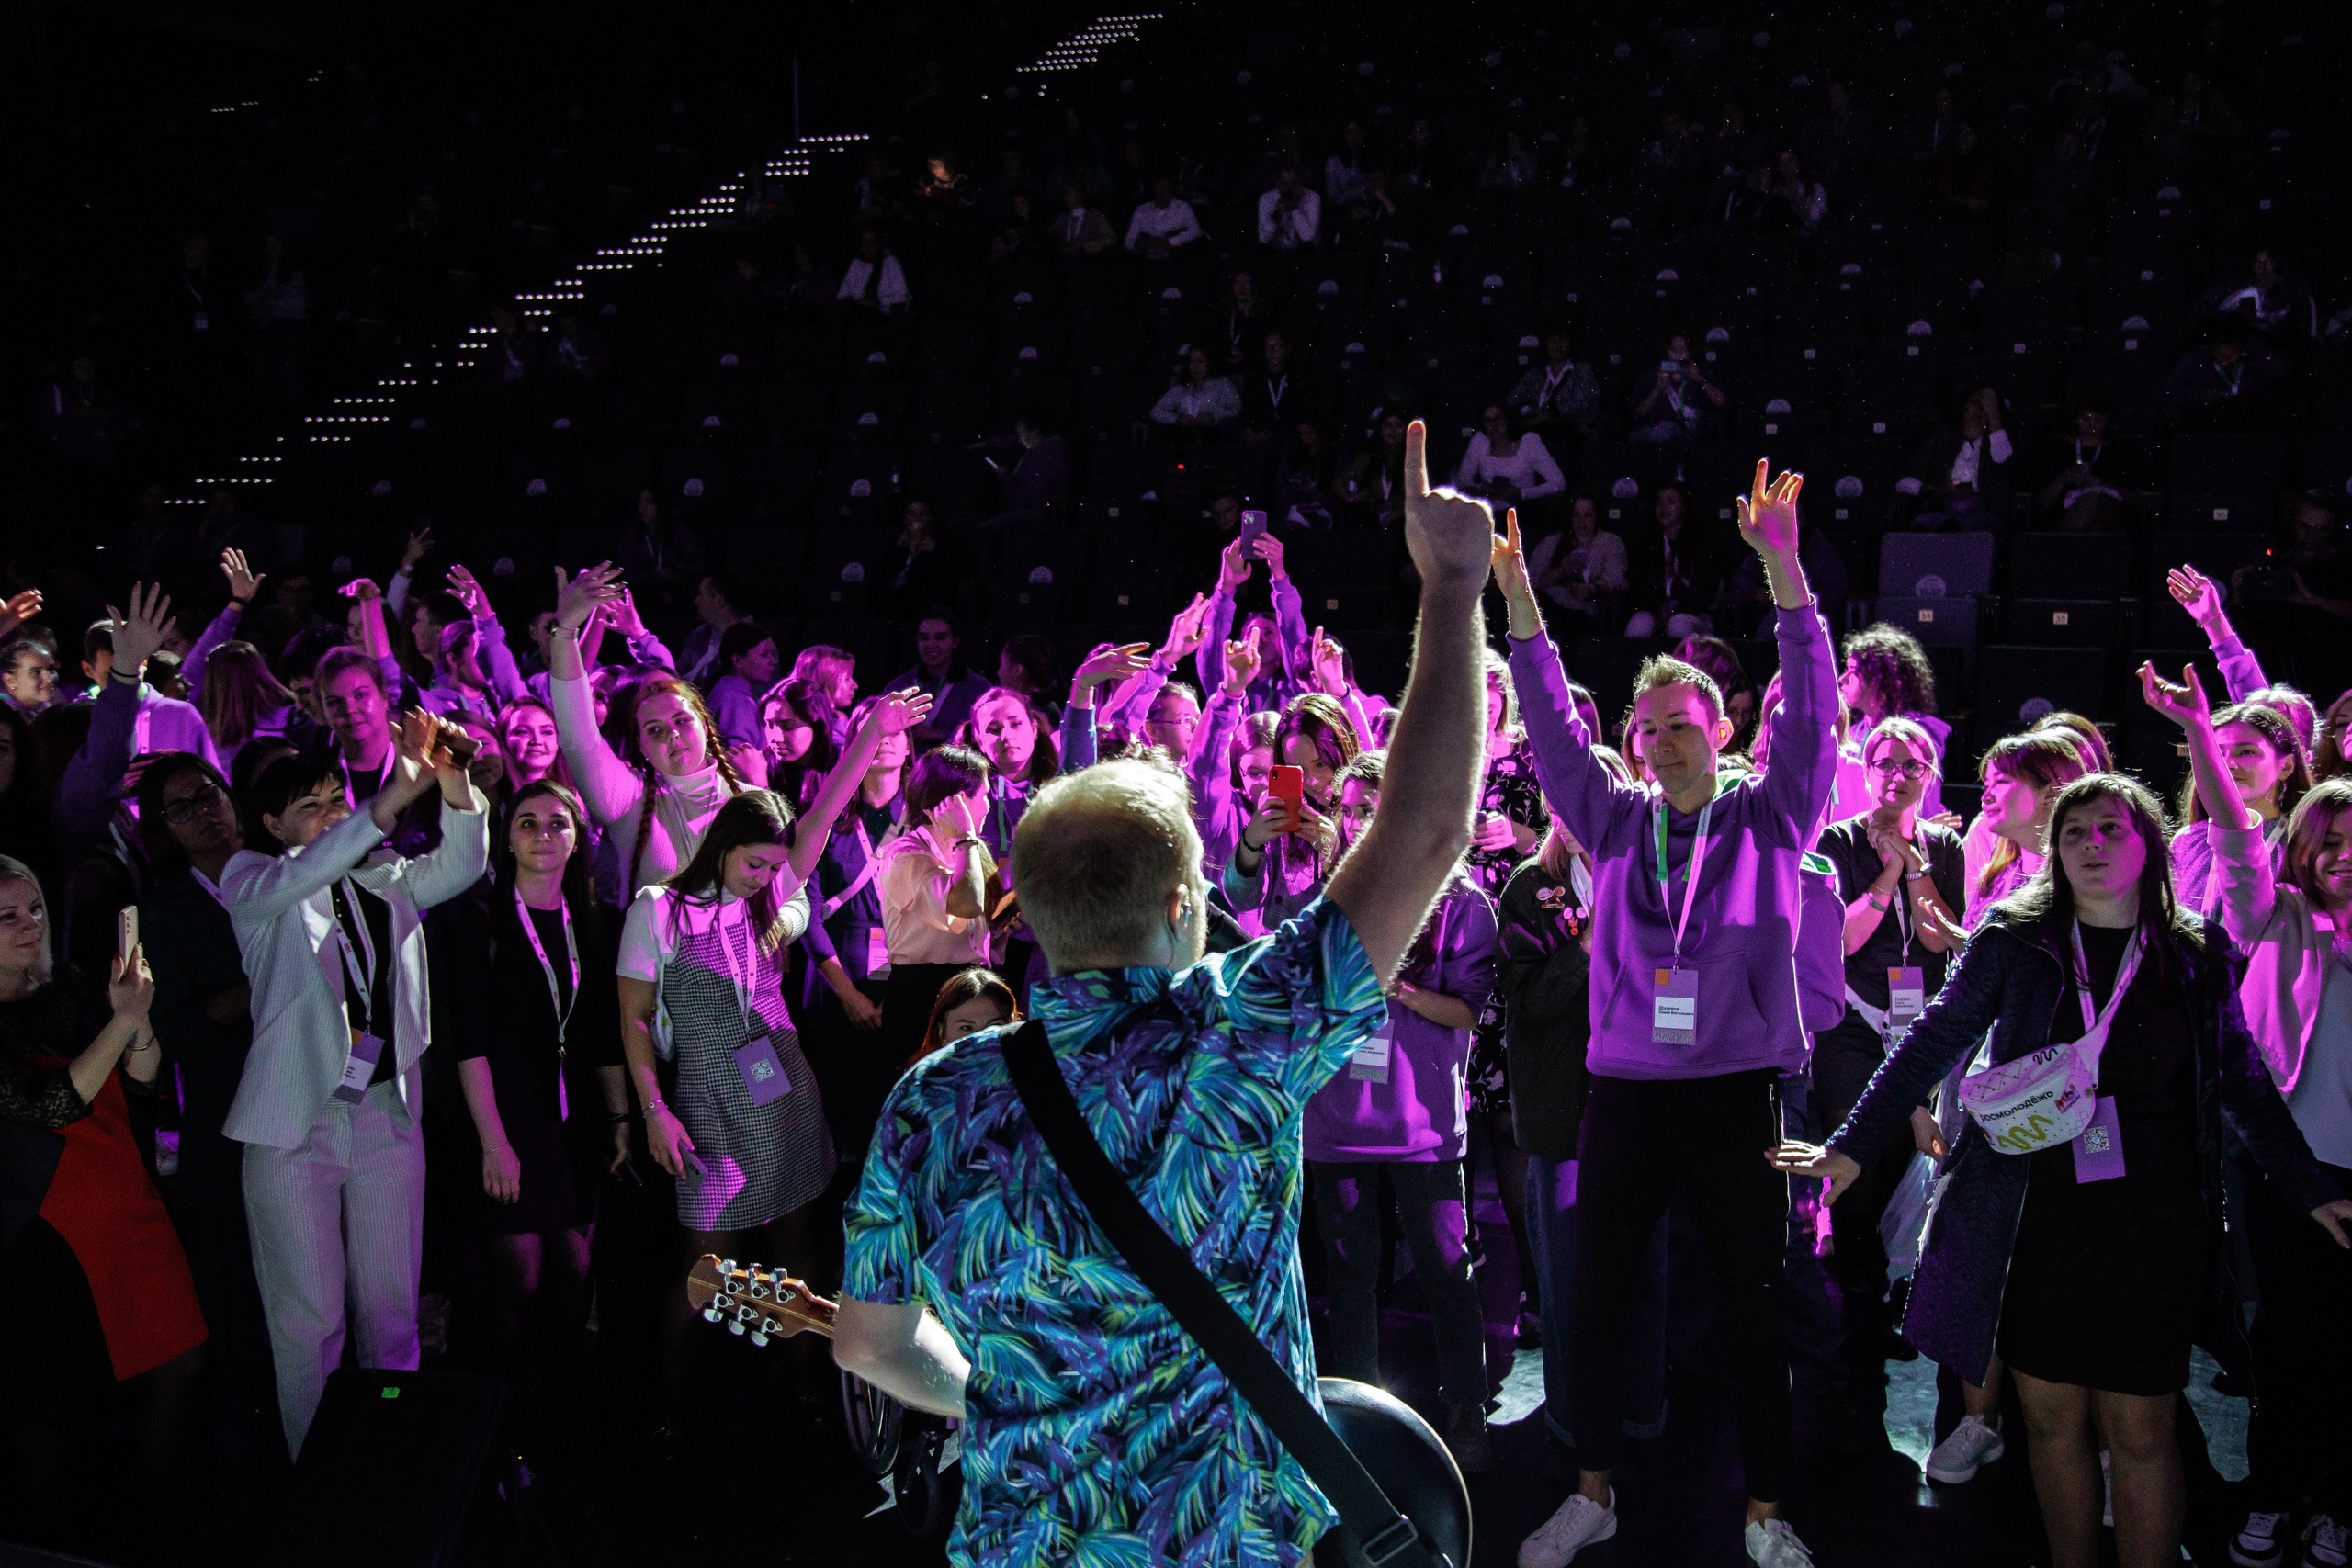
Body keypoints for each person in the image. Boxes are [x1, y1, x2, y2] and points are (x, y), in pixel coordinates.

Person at [831, 418, 1489, 1563]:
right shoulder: (1246, 1029)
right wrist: (1451, 592)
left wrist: (1011, 1389)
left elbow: (867, 1346)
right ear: (1187, 901)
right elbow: (1428, 829)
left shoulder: (930, 1100)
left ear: (1030, 917)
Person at [1776, 749, 2352, 1568]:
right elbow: (1933, 1041)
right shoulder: (2015, 941)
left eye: (2110, 828)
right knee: (2050, 1423)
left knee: (2141, 1427)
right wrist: (1852, 1146)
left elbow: (2246, 1086)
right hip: (2033, 1222)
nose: (2091, 843)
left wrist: (2308, 1187)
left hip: (2152, 1227)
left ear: (2149, 844)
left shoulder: (2194, 952)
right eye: (2074, 831)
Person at [1498, 461, 1832, 1568]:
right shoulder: (1609, 818)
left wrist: (1783, 570)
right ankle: (1591, 1494)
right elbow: (1553, 729)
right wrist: (1522, 606)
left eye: (1680, 724)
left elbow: (1814, 713)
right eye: (1646, 729)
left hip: (1736, 1093)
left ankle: (1766, 1511)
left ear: (1721, 728)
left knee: (1750, 1307)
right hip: (1628, 1095)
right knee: (1596, 1305)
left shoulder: (1773, 815)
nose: (1660, 743)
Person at [223, 714, 488, 1456]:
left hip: (380, 1112)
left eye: (336, 798)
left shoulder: (385, 876)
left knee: (391, 1310)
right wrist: (389, 799)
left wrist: (453, 779)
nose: (332, 813)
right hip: (293, 1126)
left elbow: (463, 864)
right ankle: (318, 1475)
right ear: (273, 824)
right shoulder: (253, 880)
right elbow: (310, 868)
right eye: (310, 806)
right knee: (309, 1321)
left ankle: (390, 1460)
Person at [2180, 701, 2352, 1566]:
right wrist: (2200, 735)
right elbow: (2239, 841)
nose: (2343, 856)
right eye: (2329, 841)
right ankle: (2277, 1489)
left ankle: (2337, 1501)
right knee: (2286, 1337)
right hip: (2292, 1166)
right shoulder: (2274, 913)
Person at [0, 858, 207, 1558]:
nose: (29, 924)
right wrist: (122, 1021)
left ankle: (155, 1527)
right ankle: (58, 1544)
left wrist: (136, 1018)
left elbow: (141, 1081)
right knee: (56, 1399)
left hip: (126, 1195)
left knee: (178, 1360)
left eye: (34, 908)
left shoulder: (70, 987)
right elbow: (50, 1105)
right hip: (49, 1224)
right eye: (7, 916)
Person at [1303, 750, 1499, 1469]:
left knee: (1448, 1269)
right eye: (1350, 808)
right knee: (1350, 1276)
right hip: (1337, 1121)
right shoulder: (1324, 896)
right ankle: (1358, 1415)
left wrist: (1401, 987)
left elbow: (1471, 1010)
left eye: (1374, 807)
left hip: (1423, 1126)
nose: (1360, 821)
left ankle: (1466, 1406)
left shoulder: (1461, 897)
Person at [616, 791, 836, 1431]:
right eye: (754, 863)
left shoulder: (765, 901)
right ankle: (667, 1413)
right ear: (722, 845)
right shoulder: (659, 908)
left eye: (775, 867)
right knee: (705, 1265)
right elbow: (633, 1018)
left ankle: (805, 1386)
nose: (764, 877)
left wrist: (872, 742)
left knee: (797, 1240)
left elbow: (820, 820)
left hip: (782, 1089)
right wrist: (653, 1110)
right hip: (709, 1101)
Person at [454, 779, 628, 1455]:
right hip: (507, 1117)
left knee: (575, 1274)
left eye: (558, 823)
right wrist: (493, 1143)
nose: (544, 835)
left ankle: (554, 1425)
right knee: (519, 1277)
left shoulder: (593, 919)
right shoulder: (482, 917)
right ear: (506, 836)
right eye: (527, 822)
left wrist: (619, 1120)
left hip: (574, 1121)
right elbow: (468, 1042)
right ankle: (488, 1427)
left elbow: (603, 1034)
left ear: (578, 838)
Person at [1809, 717, 1965, 1427]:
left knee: (1905, 1173)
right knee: (1858, 1175)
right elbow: (1842, 940)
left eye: (1912, 765)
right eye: (1885, 763)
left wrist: (1917, 861)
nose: (1897, 775)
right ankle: (1860, 1347)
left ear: (1930, 774)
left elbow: (1939, 935)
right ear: (1865, 770)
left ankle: (1885, 1307)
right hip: (1853, 1023)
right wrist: (1891, 869)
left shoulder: (1948, 845)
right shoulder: (1837, 841)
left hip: (1919, 1028)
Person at [546, 564, 742, 897]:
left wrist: (783, 921)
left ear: (703, 720)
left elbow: (790, 894)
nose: (672, 734)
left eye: (681, 719)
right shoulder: (630, 799)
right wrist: (565, 633)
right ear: (638, 743)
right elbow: (579, 738)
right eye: (653, 729)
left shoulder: (747, 792)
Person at [874, 745, 998, 1073]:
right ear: (955, 802)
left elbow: (974, 932)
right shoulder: (905, 856)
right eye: (984, 795)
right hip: (923, 995)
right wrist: (965, 837)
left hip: (969, 986)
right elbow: (965, 906)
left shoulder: (966, 850)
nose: (989, 804)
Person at [1223, 693, 1359, 934]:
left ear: (1343, 752)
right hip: (1279, 952)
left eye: (1321, 764)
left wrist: (1337, 856)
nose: (1312, 781)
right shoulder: (1288, 810)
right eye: (1297, 770)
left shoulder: (1365, 809)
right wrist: (1250, 843)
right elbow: (1242, 900)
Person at [2165, 701, 2306, 918]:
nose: (2228, 763)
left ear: (2286, 766)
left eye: (2246, 752)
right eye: (2217, 753)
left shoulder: (2304, 843)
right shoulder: (2188, 841)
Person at [1967, 733, 2092, 925]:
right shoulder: (1995, 882)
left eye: (2001, 782)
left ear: (2050, 793)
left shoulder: (2082, 883)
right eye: (1986, 786)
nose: (1986, 797)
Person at [1835, 624, 1951, 821]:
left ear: (1879, 678)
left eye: (1852, 670)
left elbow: (1924, 805)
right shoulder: (1854, 732)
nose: (1842, 679)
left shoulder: (1915, 735)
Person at [1898, 389, 2012, 531]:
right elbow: (1903, 480)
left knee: (1961, 526)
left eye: (1985, 406)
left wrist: (1994, 418)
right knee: (1921, 524)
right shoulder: (1944, 438)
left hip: (1982, 514)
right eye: (1975, 404)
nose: (1978, 411)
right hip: (1944, 509)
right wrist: (1938, 490)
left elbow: (2005, 463)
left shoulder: (1999, 440)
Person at [1623, 482, 1722, 639]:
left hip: (1694, 613)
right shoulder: (1647, 544)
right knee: (1639, 624)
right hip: (1656, 612)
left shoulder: (1701, 543)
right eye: (1659, 502)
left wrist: (1676, 609)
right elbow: (1638, 585)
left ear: (1684, 506)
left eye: (1671, 502)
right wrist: (1657, 607)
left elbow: (1704, 590)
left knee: (1678, 625)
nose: (1664, 508)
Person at [887, 611, 995, 749]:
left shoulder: (978, 688)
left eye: (940, 638)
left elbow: (989, 734)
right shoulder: (899, 687)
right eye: (924, 638)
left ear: (955, 642)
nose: (931, 644)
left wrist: (942, 734)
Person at [1528, 493, 1629, 626]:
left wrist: (1592, 589)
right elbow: (1529, 581)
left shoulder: (1611, 542)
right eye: (1576, 516)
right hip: (1551, 610)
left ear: (1597, 516)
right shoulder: (1551, 543)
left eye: (1588, 516)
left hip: (1590, 611)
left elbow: (1616, 577)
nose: (1581, 523)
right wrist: (1561, 572)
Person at [1454, 403, 1566, 510]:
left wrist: (1522, 493)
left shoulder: (1529, 442)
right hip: (1487, 512)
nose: (1494, 425)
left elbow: (1558, 483)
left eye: (1499, 418)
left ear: (1508, 419)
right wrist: (1481, 489)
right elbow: (1462, 481)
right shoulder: (1479, 440)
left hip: (1523, 511)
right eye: (1488, 420)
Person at [1508, 329, 1603, 447]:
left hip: (1574, 435)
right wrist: (1528, 411)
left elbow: (1582, 403)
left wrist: (1547, 416)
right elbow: (1513, 398)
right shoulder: (1536, 373)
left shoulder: (1582, 370)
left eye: (1562, 338)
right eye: (1552, 339)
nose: (1557, 344)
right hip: (1539, 432)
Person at [1628, 336, 1726, 448]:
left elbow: (1721, 401)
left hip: (1691, 436)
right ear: (1667, 351)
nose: (1678, 354)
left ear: (1689, 353)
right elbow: (1638, 413)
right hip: (1657, 435)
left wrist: (1699, 379)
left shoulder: (1700, 374)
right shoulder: (1653, 376)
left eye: (1683, 350)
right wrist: (1657, 389)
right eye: (1674, 349)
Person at [914, 966, 1019, 1061]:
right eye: (966, 1028)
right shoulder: (921, 1076)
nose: (980, 1041)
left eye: (994, 1027)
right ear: (942, 1033)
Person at [1150, 346, 1240, 428]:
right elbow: (1156, 411)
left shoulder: (1223, 384)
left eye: (1201, 361)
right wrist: (1177, 418)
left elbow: (1237, 410)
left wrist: (1214, 416)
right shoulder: (1180, 389)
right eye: (1192, 361)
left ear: (1209, 362)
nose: (1196, 366)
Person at [837, 227, 911, 315]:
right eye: (864, 241)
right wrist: (857, 303)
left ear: (878, 243)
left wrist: (877, 303)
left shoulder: (890, 263)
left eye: (871, 241)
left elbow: (901, 296)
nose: (867, 245)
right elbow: (843, 294)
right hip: (857, 314)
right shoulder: (856, 264)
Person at [1124, 175, 1204, 255]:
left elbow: (1196, 231)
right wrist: (1141, 244)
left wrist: (1170, 242)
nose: (1161, 193)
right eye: (1157, 189)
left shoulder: (1182, 207)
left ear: (1171, 190)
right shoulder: (1142, 210)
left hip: (1175, 256)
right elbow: (1128, 240)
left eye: (1164, 189)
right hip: (1147, 257)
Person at [1256, 160, 1321, 250]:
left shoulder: (1313, 198)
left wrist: (1294, 209)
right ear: (1278, 183)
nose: (1289, 188)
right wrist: (1277, 214)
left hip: (1303, 251)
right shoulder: (1266, 199)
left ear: (1300, 182)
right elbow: (1263, 239)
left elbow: (1308, 238)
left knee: (1307, 249)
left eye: (1293, 183)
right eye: (1284, 184)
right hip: (1278, 251)